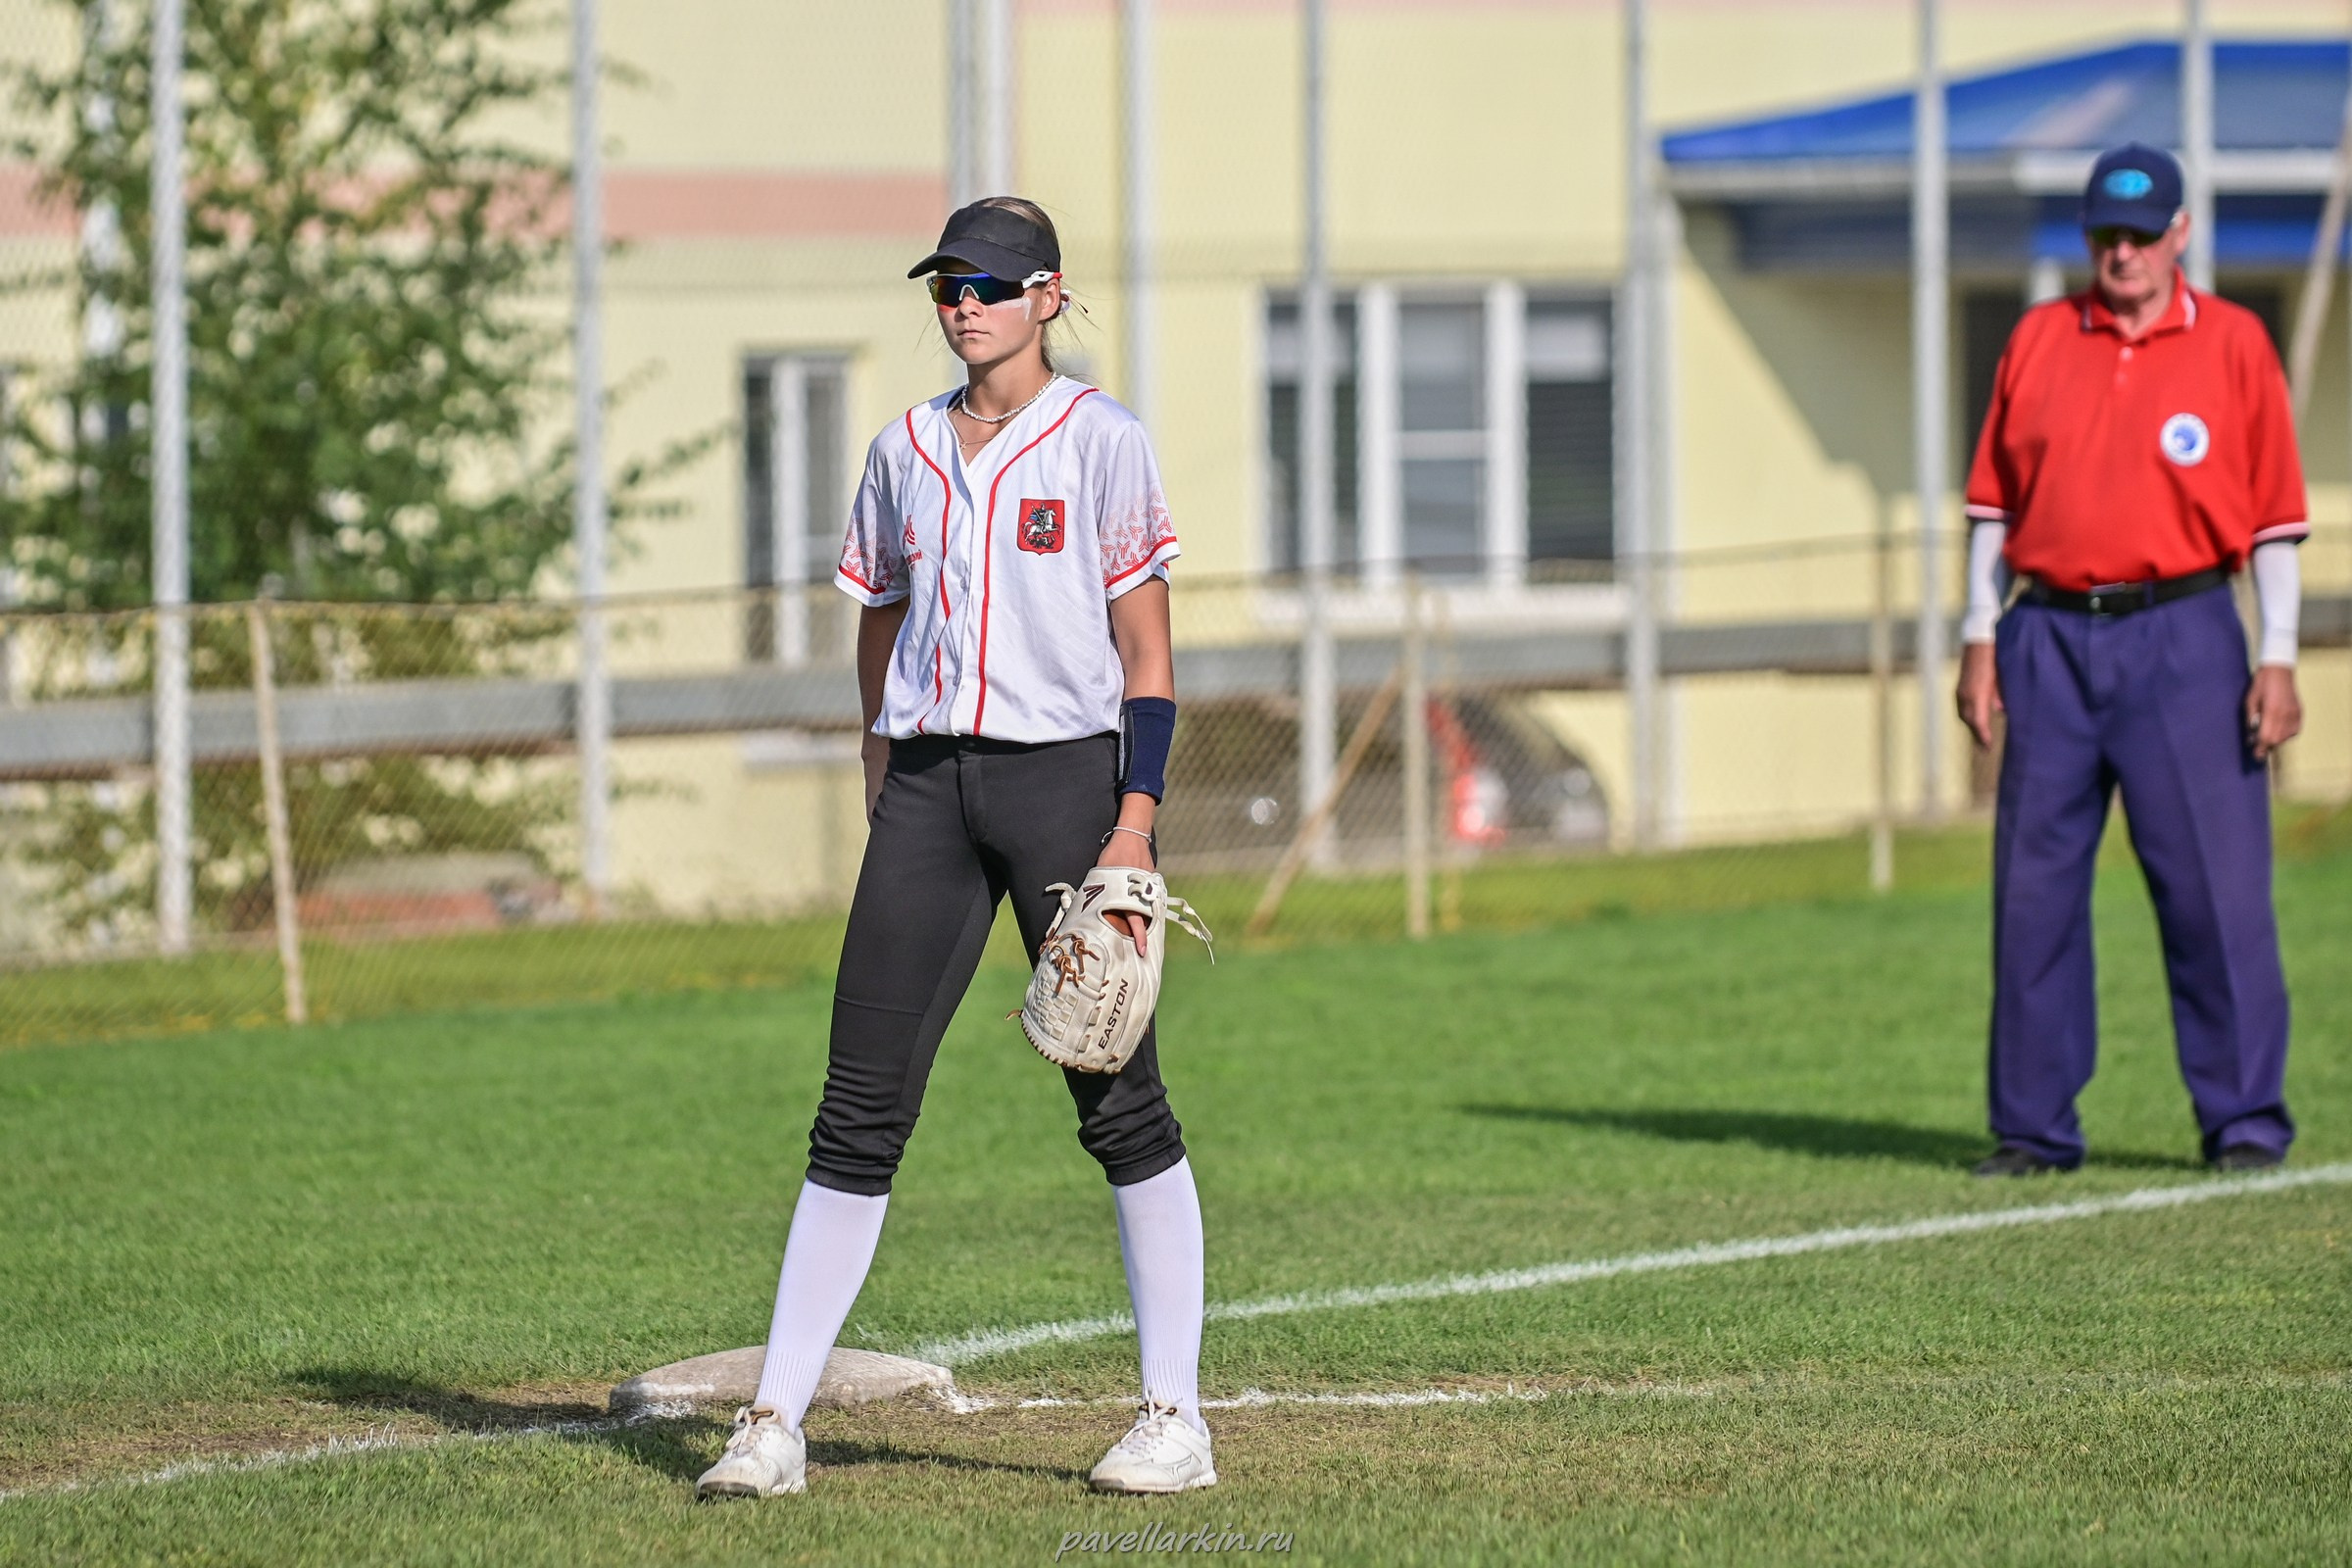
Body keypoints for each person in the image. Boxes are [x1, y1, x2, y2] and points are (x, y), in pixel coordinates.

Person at [696, 197, 1212, 1497]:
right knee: (857, 1110)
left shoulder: (1101, 442)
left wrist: (1132, 829)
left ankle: (1174, 1418)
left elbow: (1148, 662)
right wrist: (879, 753)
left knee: (1117, 1092)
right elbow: (879, 611)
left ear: (1047, 295)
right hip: (928, 790)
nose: (962, 304)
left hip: (1062, 788)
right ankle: (774, 1423)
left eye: (986, 283)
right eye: (946, 285)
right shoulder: (901, 449)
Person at [1956, 142, 2306, 1178]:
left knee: (2214, 890)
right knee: (2033, 891)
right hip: (2049, 633)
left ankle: (2242, 1119)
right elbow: (1990, 505)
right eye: (2107, 235)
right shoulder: (2039, 339)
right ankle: (2032, 1127)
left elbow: (2278, 521)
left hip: (2187, 633)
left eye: (2143, 235)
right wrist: (1980, 632)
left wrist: (2277, 654)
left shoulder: (2236, 345)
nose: (2124, 254)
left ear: (2180, 235)